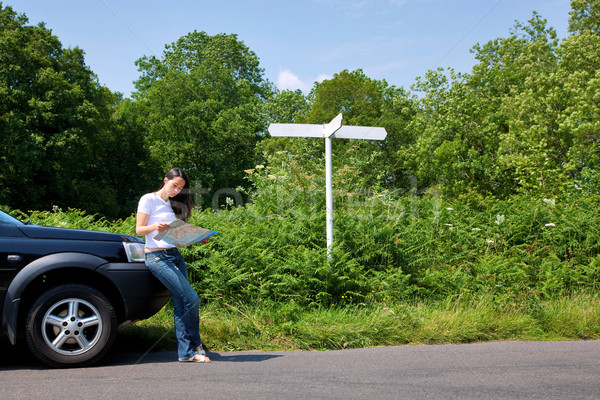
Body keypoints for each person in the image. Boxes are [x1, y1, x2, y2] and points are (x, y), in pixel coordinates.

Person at [136, 168, 211, 363]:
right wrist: (154, 227)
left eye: (181, 188)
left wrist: (197, 237)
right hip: (157, 258)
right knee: (192, 299)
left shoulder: (173, 204)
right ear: (165, 180)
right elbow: (139, 229)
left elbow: (175, 235)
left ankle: (185, 353)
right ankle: (196, 345)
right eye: (174, 185)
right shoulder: (148, 199)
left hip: (175, 255)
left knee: (182, 304)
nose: (177, 190)